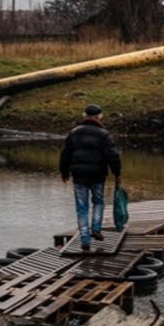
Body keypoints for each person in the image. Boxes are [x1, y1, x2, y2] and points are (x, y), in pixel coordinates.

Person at [59, 103, 122, 250]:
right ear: (100, 116)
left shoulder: (74, 133)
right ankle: (96, 229)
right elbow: (113, 156)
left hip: (79, 175)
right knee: (98, 202)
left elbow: (65, 155)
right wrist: (117, 173)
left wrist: (64, 172)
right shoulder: (103, 134)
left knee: (82, 208)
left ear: (84, 116)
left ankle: (85, 238)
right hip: (97, 175)